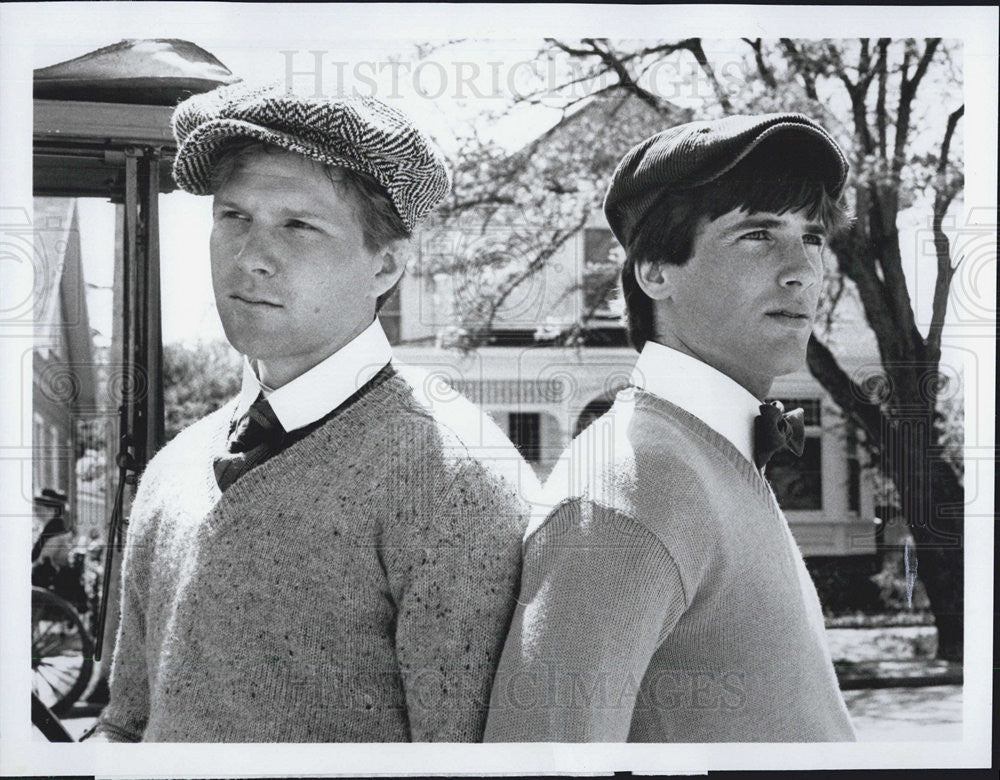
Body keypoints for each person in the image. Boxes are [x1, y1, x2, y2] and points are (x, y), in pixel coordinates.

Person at [88, 83, 532, 742]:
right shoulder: (172, 471)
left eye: (298, 224)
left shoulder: (453, 481)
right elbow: (126, 725)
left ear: (385, 264)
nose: (251, 257)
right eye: (234, 216)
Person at [484, 113, 858, 743]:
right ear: (654, 271)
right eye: (759, 234)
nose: (804, 270)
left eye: (813, 237)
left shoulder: (707, 452)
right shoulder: (634, 484)